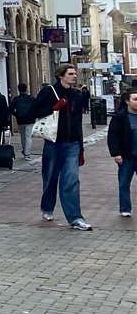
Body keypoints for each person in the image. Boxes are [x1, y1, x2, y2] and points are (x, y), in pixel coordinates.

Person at [34, 64, 92, 230]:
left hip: (72, 143)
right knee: (50, 177)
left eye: (75, 74)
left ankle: (75, 218)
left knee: (71, 180)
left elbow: (78, 123)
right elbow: (34, 112)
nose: (74, 76)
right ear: (61, 75)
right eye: (71, 74)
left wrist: (81, 148)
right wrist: (53, 107)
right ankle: (47, 207)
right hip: (53, 143)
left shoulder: (77, 95)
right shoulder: (48, 91)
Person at [104, 85, 137, 219]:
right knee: (124, 183)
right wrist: (116, 153)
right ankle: (125, 208)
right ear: (127, 101)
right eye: (135, 99)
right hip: (127, 156)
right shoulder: (120, 117)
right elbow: (113, 136)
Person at [10, 83, 38, 159]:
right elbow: (36, 108)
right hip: (30, 120)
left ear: (19, 90)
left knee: (23, 136)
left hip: (21, 120)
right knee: (28, 136)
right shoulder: (31, 98)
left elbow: (10, 109)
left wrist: (17, 115)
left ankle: (25, 150)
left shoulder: (16, 99)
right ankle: (27, 153)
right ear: (26, 89)